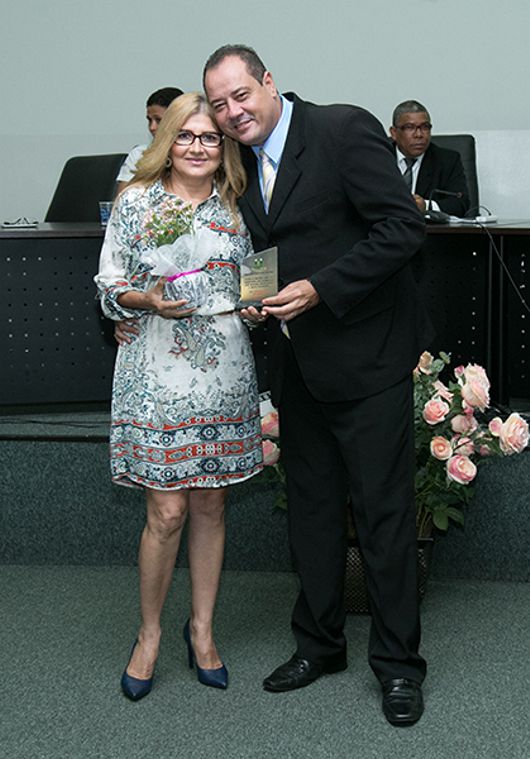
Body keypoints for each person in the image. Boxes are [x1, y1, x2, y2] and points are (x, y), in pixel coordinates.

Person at [203, 45, 434, 726]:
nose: (231, 112)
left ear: (269, 82)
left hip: (367, 360)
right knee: (311, 513)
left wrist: (321, 288)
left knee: (384, 517)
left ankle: (399, 666)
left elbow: (403, 227)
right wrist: (256, 298)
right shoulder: (238, 158)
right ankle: (320, 645)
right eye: (218, 104)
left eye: (241, 95)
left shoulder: (341, 129)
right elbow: (269, 245)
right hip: (298, 365)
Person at [95, 92, 263, 700]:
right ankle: (148, 636)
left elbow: (256, 277)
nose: (197, 147)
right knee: (165, 513)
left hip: (224, 374)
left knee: (211, 506)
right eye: (186, 135)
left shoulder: (239, 202)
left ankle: (202, 631)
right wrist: (142, 300)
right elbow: (108, 283)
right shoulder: (135, 201)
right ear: (167, 141)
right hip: (155, 372)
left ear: (225, 146)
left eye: (209, 137)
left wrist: (260, 304)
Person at [390, 99, 470, 217]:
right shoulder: (377, 158)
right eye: (410, 127)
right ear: (394, 133)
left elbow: (460, 203)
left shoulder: (447, 160)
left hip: (427, 228)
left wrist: (426, 206)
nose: (419, 134)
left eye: (425, 127)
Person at [116, 87, 184, 193]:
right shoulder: (139, 155)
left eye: (159, 120)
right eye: (149, 120)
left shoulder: (193, 156)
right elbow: (122, 199)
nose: (152, 127)